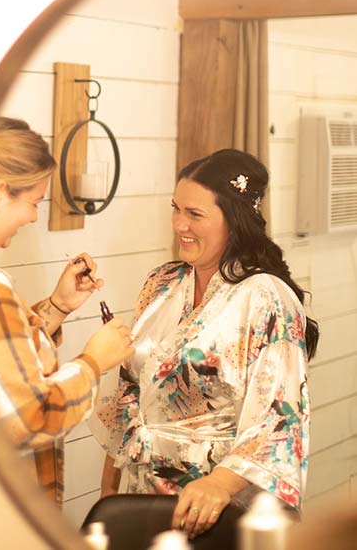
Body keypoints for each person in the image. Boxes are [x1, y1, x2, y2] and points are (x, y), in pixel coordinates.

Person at [93, 148, 319, 540]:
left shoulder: (265, 298)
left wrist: (218, 485)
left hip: (216, 503)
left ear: (235, 221)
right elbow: (130, 388)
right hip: (143, 489)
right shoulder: (162, 283)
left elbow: (281, 419)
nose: (180, 224)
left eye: (195, 214)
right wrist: (111, 483)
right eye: (175, 208)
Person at [0, 116, 133, 505]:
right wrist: (94, 361)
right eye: (33, 203)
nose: (32, 217)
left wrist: (56, 307)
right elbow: (33, 418)